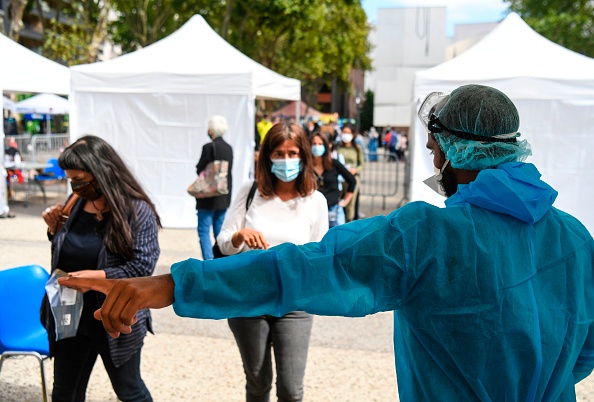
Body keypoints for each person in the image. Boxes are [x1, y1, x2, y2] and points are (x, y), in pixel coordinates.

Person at [60, 84, 594, 401]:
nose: (434, 162)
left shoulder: (429, 236)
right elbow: (583, 353)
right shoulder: (575, 238)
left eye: (433, 150)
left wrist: (166, 285)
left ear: (453, 153)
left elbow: (302, 269)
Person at [41, 135, 161, 402]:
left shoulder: (136, 211)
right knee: (64, 391)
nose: (74, 186)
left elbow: (142, 266)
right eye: (71, 179)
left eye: (80, 180)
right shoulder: (75, 203)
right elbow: (69, 250)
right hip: (69, 312)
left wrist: (97, 279)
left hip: (114, 313)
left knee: (129, 390)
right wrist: (54, 231)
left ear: (103, 172)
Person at [215, 122, 328, 401]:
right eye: (278, 153)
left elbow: (322, 256)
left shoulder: (316, 200)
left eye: (292, 153)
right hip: (248, 300)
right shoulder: (250, 191)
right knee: (258, 382)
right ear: (267, 156)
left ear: (304, 155)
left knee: (291, 389)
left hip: (294, 303)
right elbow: (223, 241)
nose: (286, 160)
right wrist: (240, 236)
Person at [194, 115, 233, 260]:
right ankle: (221, 259)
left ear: (211, 131)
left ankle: (209, 262)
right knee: (219, 230)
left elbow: (200, 169)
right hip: (223, 195)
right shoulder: (229, 148)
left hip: (207, 196)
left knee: (204, 231)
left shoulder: (208, 147)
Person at [310, 131, 356, 228]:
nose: (316, 146)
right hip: (312, 210)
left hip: (333, 210)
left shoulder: (334, 164)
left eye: (320, 144)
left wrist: (345, 201)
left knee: (339, 241)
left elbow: (352, 181)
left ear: (326, 146)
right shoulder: (305, 167)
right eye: (314, 144)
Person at [335, 123, 364, 222]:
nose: (345, 135)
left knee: (350, 206)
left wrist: (355, 170)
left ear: (353, 134)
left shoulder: (357, 148)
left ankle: (349, 224)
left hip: (351, 179)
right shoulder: (337, 146)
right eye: (344, 132)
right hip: (339, 179)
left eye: (348, 133)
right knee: (338, 203)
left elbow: (362, 165)